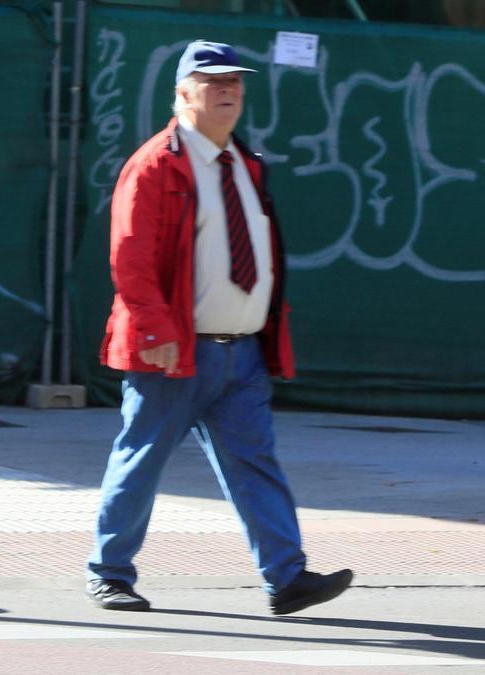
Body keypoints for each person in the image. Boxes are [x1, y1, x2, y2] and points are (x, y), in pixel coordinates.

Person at [86, 40, 351, 615]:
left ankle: (287, 578)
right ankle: (109, 572)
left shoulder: (245, 164)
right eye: (212, 83)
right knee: (141, 459)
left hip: (242, 354)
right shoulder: (156, 164)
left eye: (234, 82)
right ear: (183, 95)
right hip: (174, 352)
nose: (227, 91)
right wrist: (155, 332)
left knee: (256, 464)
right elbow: (129, 257)